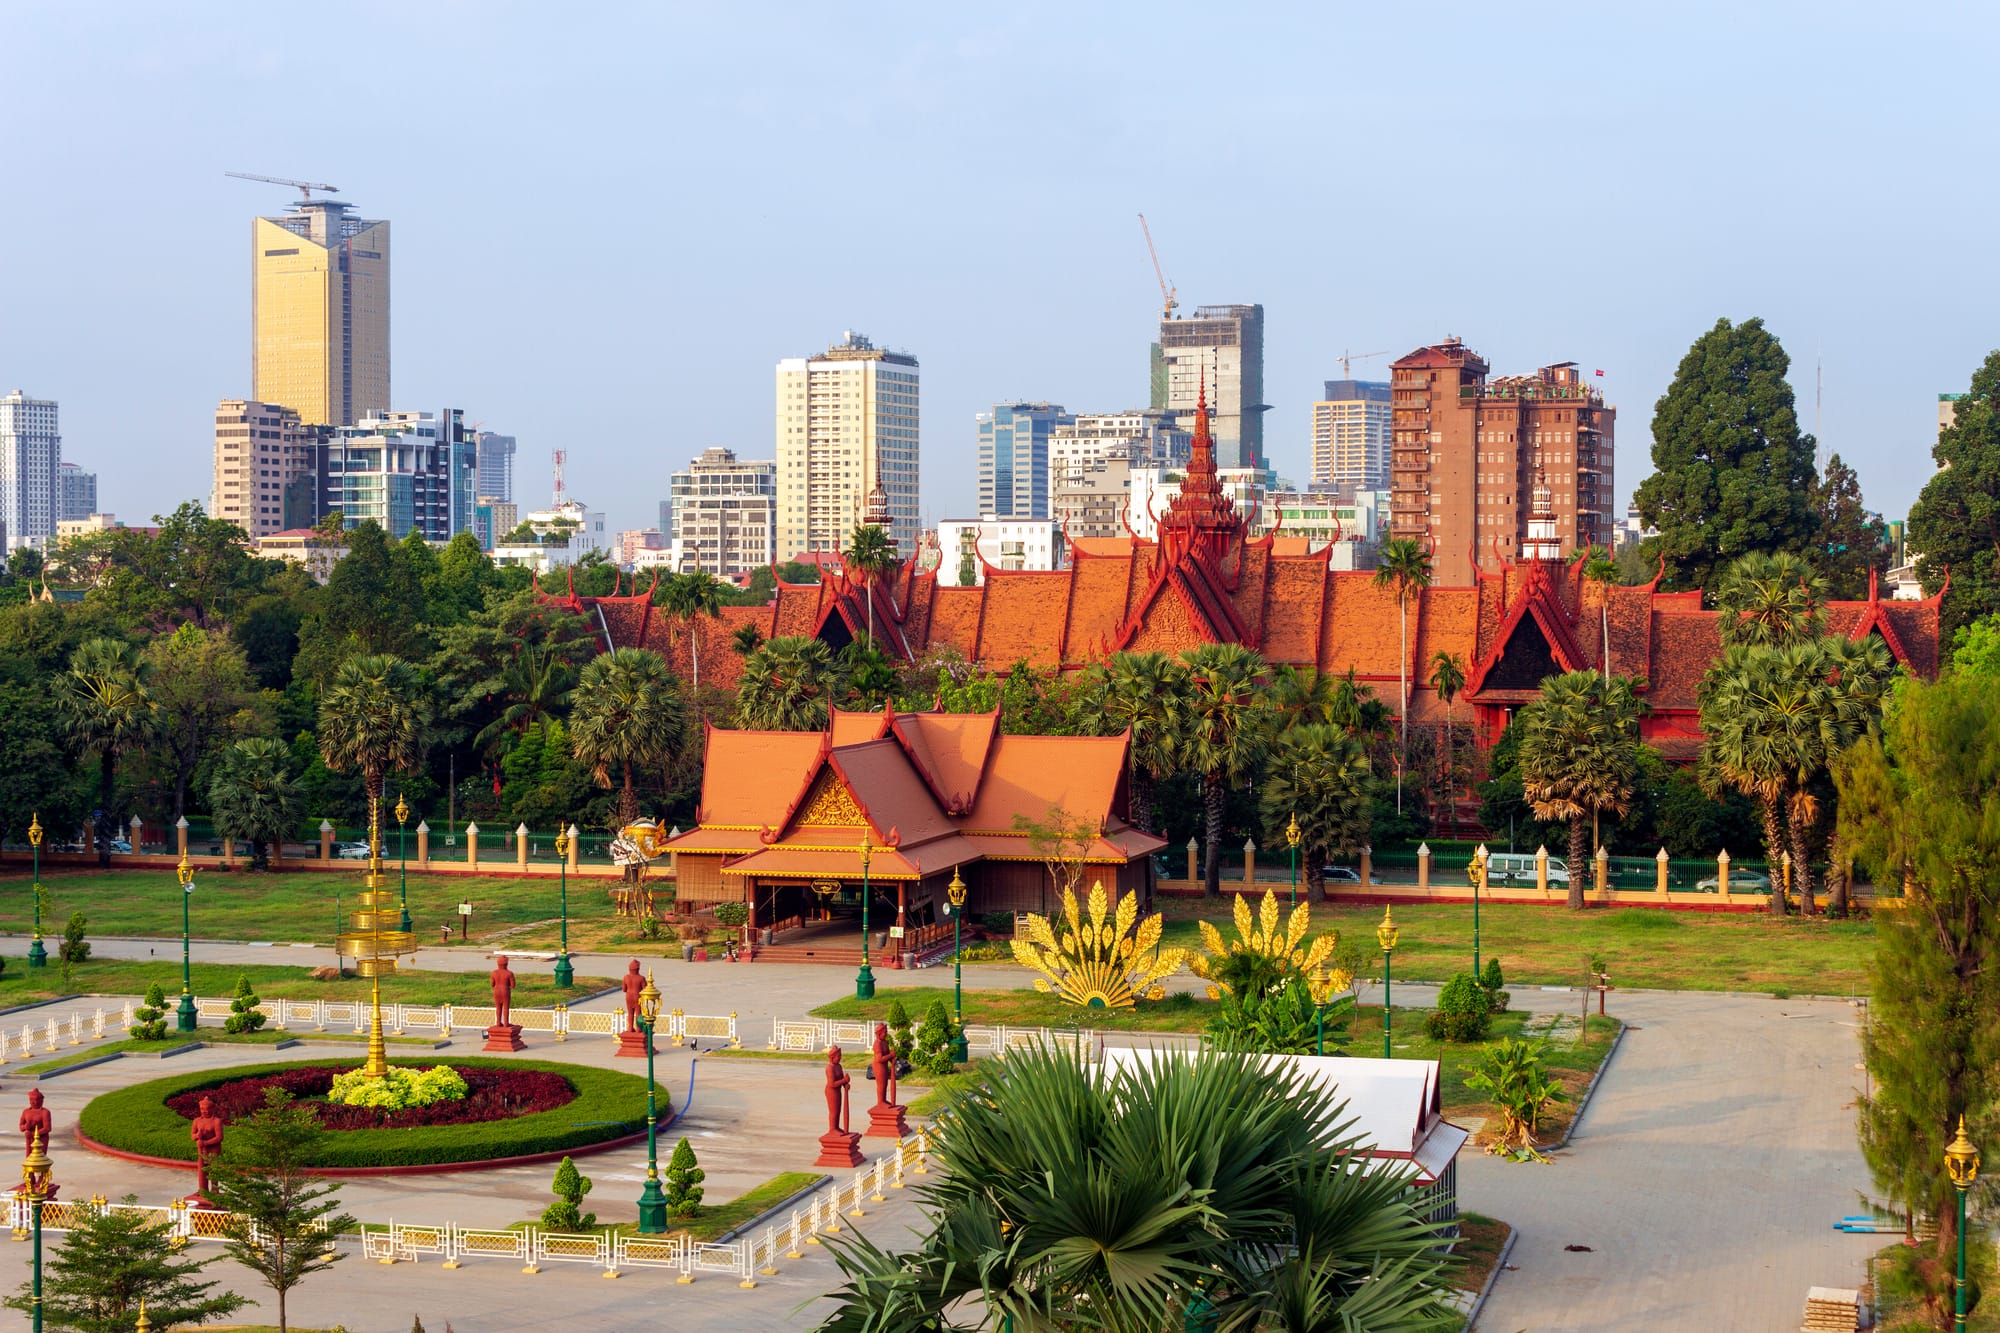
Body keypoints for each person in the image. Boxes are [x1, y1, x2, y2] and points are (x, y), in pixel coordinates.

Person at [189, 1096, 224, 1198]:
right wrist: (197, 1136)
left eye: (207, 1109)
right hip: (202, 1151)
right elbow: (192, 1135)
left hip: (213, 1150)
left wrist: (205, 1142)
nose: (205, 1111)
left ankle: (214, 1190)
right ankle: (203, 1190)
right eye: (202, 1109)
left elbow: (219, 1138)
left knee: (213, 1170)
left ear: (212, 1109)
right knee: (202, 1170)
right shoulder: (197, 1121)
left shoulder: (216, 1121)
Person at [823, 1045, 852, 1135]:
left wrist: (845, 1084)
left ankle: (836, 1126)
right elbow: (832, 1084)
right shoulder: (829, 1068)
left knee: (838, 1110)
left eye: (840, 1056)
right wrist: (844, 1080)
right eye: (838, 1056)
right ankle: (832, 1128)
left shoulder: (838, 1066)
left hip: (837, 1090)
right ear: (832, 1057)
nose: (840, 1058)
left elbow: (841, 1079)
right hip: (831, 1091)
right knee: (833, 1111)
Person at [870, 1021, 898, 1107]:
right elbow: (879, 1059)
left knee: (885, 1084)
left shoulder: (884, 1042)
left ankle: (884, 1099)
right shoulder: (877, 1044)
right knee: (881, 1084)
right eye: (884, 1032)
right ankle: (880, 1101)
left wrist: (892, 1059)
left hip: (884, 1065)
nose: (886, 1033)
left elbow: (887, 1054)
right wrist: (891, 1055)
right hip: (879, 1066)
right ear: (879, 1033)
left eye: (886, 1031)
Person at [17, 1089, 50, 1157]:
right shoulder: (26, 1111)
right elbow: (21, 1127)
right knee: (29, 1157)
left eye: (37, 1100)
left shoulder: (45, 1112)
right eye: (32, 1100)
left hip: (41, 1139)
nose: (35, 1102)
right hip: (29, 1138)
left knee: (40, 1157)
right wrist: (26, 1126)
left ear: (42, 1101)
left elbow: (47, 1128)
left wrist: (33, 1134)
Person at [490, 955, 517, 1028]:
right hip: (505, 991)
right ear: (506, 964)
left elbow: (492, 984)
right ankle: (506, 1023)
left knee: (498, 1007)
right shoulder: (509, 973)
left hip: (496, 990)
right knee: (505, 1008)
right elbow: (513, 985)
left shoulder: (494, 973)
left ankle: (498, 1022)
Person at [620, 959, 645, 1028]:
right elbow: (645, 990)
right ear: (637, 969)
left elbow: (624, 989)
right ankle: (638, 1028)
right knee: (638, 1013)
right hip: (637, 996)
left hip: (628, 996)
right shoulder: (641, 978)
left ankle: (630, 1027)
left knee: (630, 1013)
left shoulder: (626, 977)